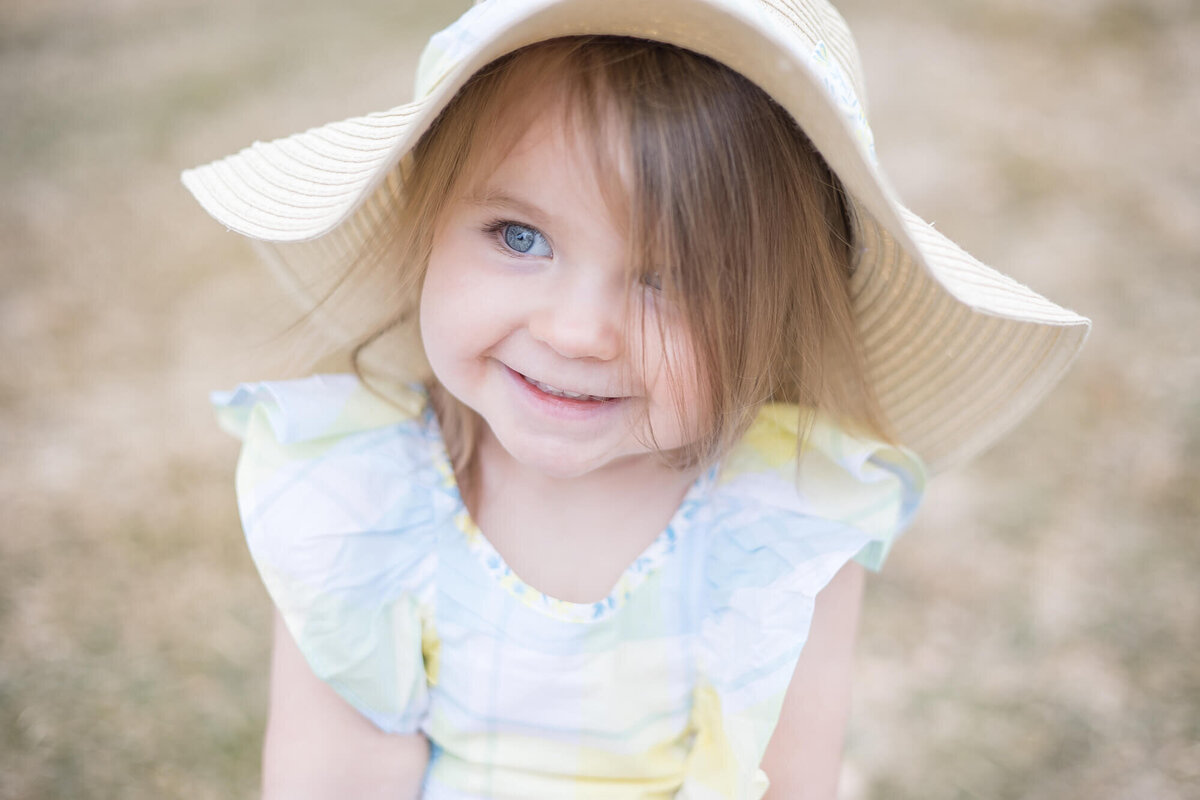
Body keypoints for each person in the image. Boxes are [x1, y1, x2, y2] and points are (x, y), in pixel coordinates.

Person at [184, 1, 1089, 797]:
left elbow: (783, 783)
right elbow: (339, 780)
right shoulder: (360, 505)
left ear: (772, 321)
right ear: (427, 223)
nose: (580, 332)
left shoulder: (778, 527)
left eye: (671, 278)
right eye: (519, 235)